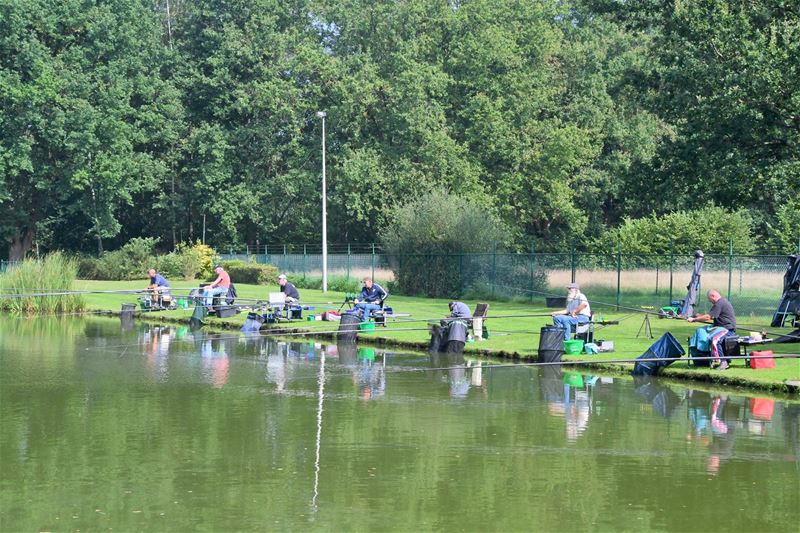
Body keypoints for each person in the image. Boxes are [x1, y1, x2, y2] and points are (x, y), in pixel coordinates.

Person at [688, 289, 736, 370]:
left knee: (715, 340)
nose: (710, 302)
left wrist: (694, 320)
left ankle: (723, 362)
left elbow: (708, 317)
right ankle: (703, 357)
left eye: (710, 300)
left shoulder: (720, 303)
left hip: (727, 330)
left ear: (713, 296)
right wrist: (699, 316)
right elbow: (710, 315)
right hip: (721, 328)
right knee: (700, 332)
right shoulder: (721, 302)